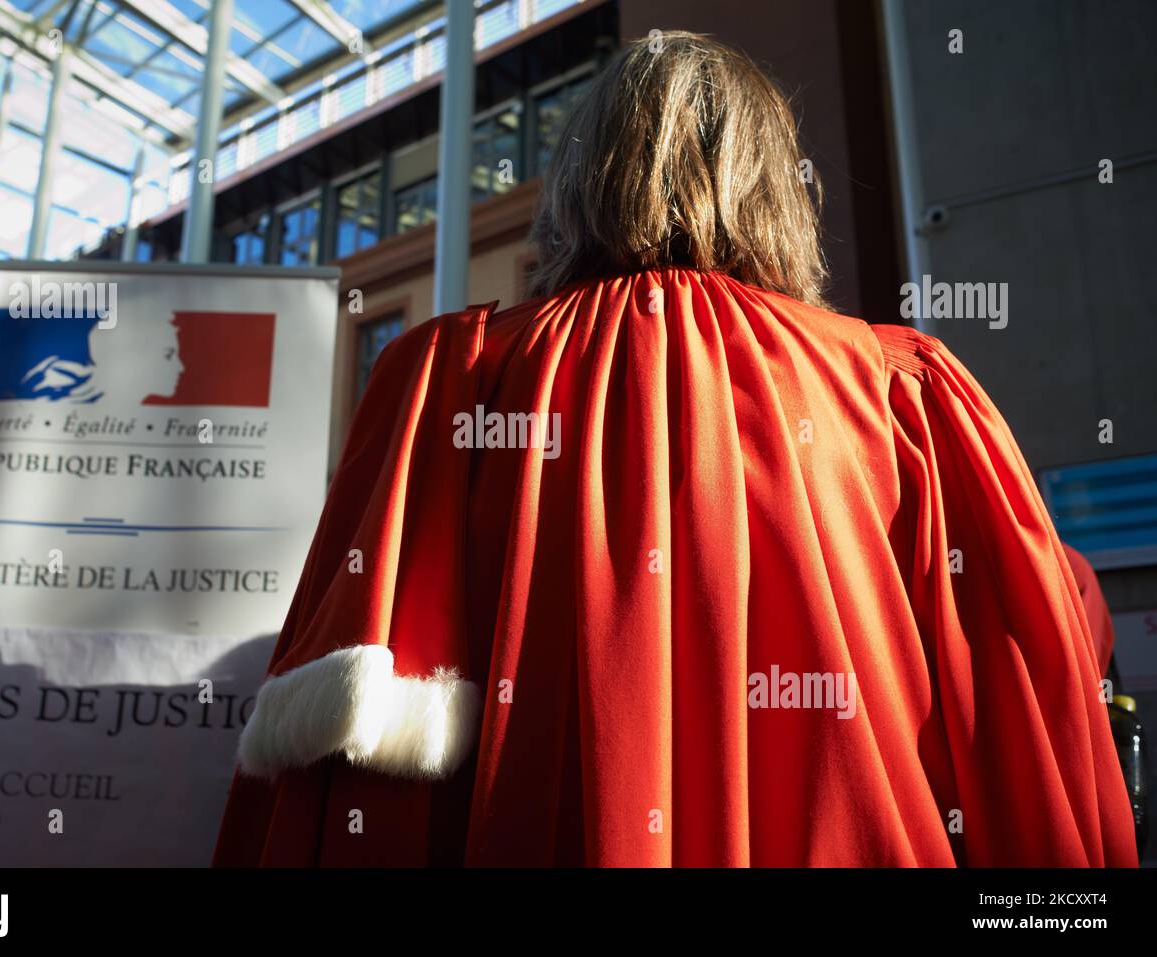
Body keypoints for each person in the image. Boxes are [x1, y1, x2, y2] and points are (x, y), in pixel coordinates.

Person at [212, 32, 1137, 866]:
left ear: (579, 179)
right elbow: (1027, 678)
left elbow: (335, 758)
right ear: (777, 185)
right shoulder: (905, 388)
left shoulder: (446, 376)